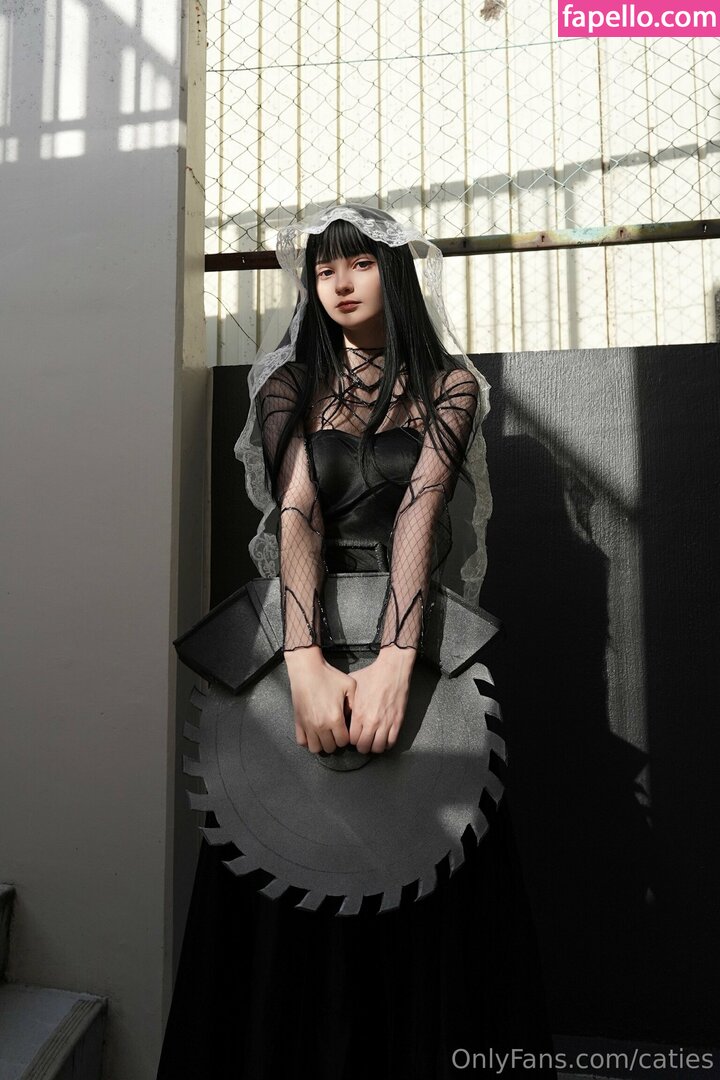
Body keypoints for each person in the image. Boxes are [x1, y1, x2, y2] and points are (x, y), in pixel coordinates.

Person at [157, 204, 557, 1079]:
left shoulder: (450, 387)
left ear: (394, 270)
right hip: (300, 637)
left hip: (416, 650)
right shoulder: (287, 385)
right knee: (287, 842)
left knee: (428, 849)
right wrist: (305, 667)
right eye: (323, 269)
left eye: (360, 263)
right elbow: (296, 512)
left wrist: (394, 664)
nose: (338, 283)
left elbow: (421, 511)